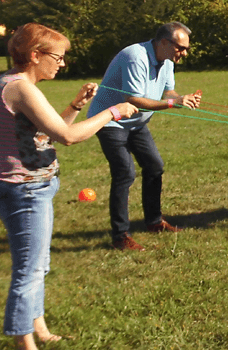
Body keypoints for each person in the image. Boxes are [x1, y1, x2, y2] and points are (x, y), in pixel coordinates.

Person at [0, 23, 138, 350]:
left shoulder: (19, 86)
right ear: (35, 54)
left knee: (39, 265)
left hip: (36, 188)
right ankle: (23, 341)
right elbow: (68, 137)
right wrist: (113, 111)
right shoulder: (20, 88)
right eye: (57, 57)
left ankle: (38, 326)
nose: (62, 63)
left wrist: (76, 105)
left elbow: (49, 134)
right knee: (28, 270)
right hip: (24, 192)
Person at [87, 21, 202, 251]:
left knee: (154, 167)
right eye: (180, 48)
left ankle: (154, 222)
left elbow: (169, 92)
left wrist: (182, 99)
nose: (184, 53)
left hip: (137, 123)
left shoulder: (167, 60)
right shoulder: (135, 57)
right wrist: (172, 103)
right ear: (163, 42)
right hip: (111, 121)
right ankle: (120, 236)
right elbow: (133, 99)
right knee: (124, 173)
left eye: (186, 48)